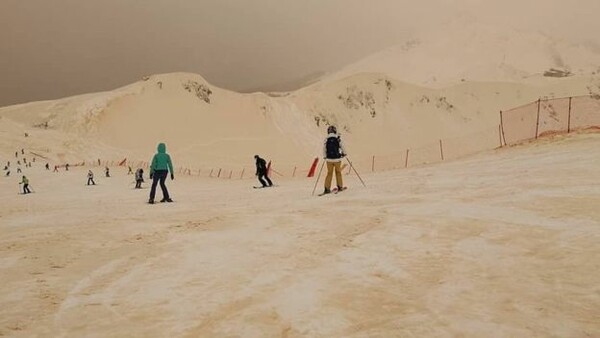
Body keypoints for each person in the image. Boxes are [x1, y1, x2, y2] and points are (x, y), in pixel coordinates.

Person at [322, 125, 346, 195]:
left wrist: (325, 157)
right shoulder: (338, 138)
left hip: (329, 160)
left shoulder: (326, 139)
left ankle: (327, 188)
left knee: (329, 173)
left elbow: (324, 149)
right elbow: (342, 147)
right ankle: (340, 186)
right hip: (337, 159)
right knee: (338, 172)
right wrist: (344, 154)